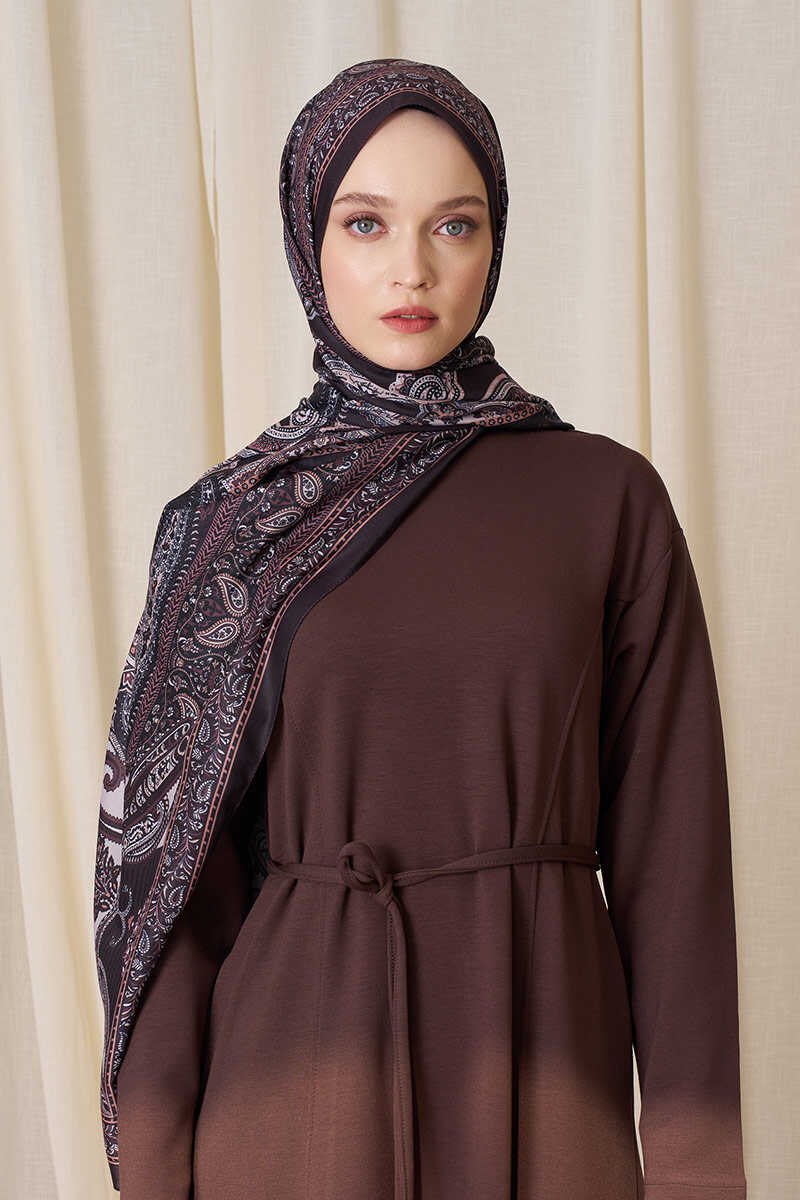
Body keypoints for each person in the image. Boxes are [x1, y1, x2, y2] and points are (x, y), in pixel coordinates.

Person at [94, 58, 747, 1199]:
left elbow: (675, 866)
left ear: (495, 242)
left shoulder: (605, 499)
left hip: (543, 1074)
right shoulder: (226, 526)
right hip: (286, 1103)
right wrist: (155, 1171)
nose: (412, 269)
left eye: (455, 224)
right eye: (365, 223)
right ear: (308, 242)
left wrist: (696, 1171)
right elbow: (171, 896)